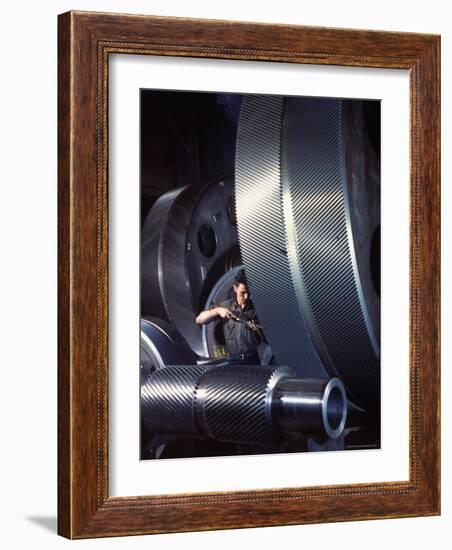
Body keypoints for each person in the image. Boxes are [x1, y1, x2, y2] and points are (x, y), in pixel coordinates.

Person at [195, 269, 263, 364]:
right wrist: (217, 310)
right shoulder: (226, 306)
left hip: (252, 361)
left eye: (249, 292)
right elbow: (199, 319)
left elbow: (270, 341)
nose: (246, 296)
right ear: (235, 288)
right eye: (243, 293)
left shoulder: (259, 310)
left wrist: (258, 330)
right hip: (233, 362)